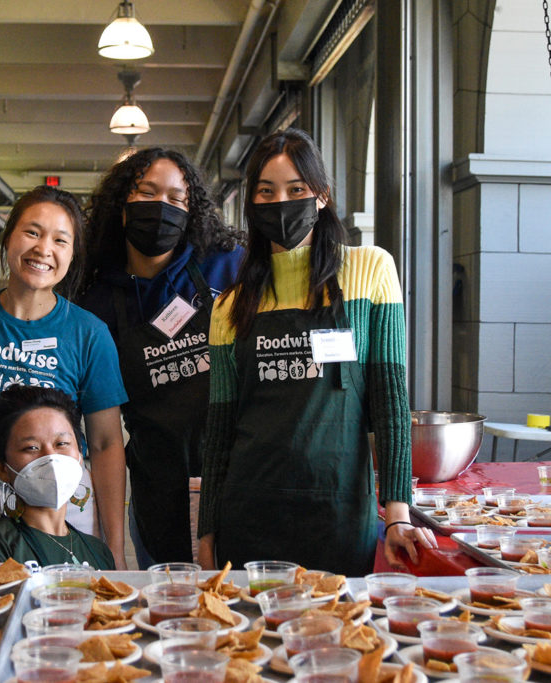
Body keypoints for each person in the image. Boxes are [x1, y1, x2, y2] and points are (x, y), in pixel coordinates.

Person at [196, 127, 436, 575]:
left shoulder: (370, 270)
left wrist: (398, 511)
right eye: (266, 192)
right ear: (252, 203)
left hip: (339, 512)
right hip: (250, 510)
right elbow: (221, 429)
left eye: (296, 189)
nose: (281, 202)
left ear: (321, 196)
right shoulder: (230, 304)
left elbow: (390, 402)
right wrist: (207, 532)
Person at [0, 185, 129, 568]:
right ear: (8, 237)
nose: (44, 249)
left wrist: (116, 548)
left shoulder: (89, 333)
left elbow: (106, 444)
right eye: (32, 232)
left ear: (72, 255)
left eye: (61, 239)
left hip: (64, 503)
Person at [77, 148, 244, 567]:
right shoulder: (98, 303)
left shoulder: (227, 268)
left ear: (192, 212)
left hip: (237, 479)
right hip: (157, 491)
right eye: (147, 193)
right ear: (121, 207)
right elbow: (103, 431)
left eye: (176, 199)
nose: (161, 208)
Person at [0, 385, 115, 568]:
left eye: (62, 443)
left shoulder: (98, 551)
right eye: (31, 447)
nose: (51, 457)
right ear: (2, 468)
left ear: (80, 456)